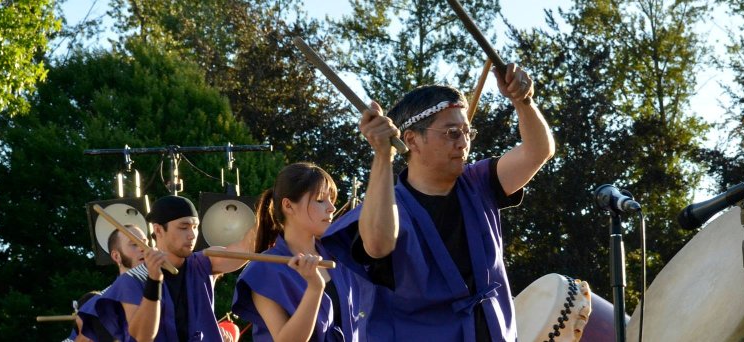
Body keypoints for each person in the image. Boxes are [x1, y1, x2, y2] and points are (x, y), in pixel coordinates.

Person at [322, 63, 555, 341]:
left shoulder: (477, 182)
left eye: (468, 132)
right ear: (412, 140)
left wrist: (523, 100)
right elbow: (378, 244)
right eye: (452, 133)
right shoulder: (387, 207)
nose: (464, 143)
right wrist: (382, 155)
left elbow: (537, 151)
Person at [90, 195, 258, 342]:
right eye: (183, 227)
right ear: (158, 230)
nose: (192, 235)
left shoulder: (201, 262)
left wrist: (268, 213)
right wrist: (154, 282)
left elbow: (246, 248)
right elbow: (142, 337)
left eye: (195, 227)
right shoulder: (133, 279)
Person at [231, 162, 362, 341]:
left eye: (331, 200)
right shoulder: (263, 269)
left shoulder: (339, 257)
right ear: (288, 206)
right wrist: (315, 289)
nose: (331, 208)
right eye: (320, 200)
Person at [75, 224, 149, 342]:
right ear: (116, 256)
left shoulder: (166, 285)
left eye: (145, 243)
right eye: (134, 244)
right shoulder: (98, 304)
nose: (143, 248)